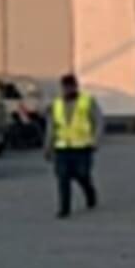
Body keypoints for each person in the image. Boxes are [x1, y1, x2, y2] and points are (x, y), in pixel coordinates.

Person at [43, 74, 104, 219]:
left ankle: (90, 193)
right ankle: (64, 209)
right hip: (62, 148)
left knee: (82, 174)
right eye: (65, 87)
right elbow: (51, 127)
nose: (68, 90)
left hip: (82, 147)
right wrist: (47, 147)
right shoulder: (56, 104)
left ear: (76, 87)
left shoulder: (87, 101)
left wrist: (96, 140)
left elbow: (99, 121)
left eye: (71, 87)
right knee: (62, 177)